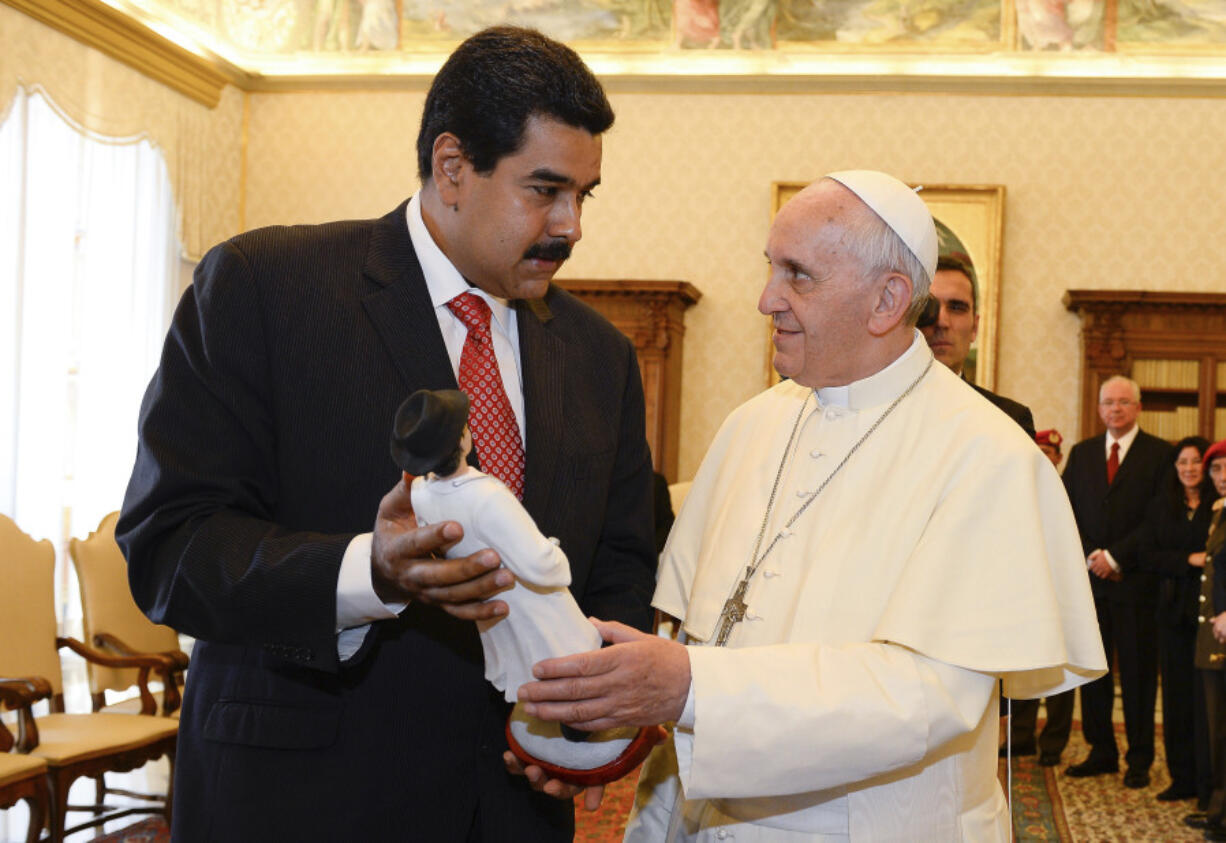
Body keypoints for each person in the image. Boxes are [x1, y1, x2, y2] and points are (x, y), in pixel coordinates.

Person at [116, 26, 658, 841]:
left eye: (586, 194)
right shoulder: (265, 290)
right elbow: (171, 549)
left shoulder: (600, 356)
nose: (571, 224)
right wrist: (366, 572)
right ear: (451, 168)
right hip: (303, 803)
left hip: (514, 812)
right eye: (544, 189)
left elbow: (619, 570)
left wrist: (583, 725)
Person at [515, 170, 1106, 840]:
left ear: (887, 299)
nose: (767, 299)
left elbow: (923, 699)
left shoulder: (990, 456)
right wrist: (611, 730)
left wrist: (688, 687)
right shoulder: (750, 426)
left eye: (797, 275)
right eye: (771, 268)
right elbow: (699, 640)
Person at [1062, 375, 1173, 788]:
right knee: (1093, 671)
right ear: (1099, 408)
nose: (1115, 409)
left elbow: (1158, 519)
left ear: (1138, 407)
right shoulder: (1083, 453)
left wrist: (1115, 556)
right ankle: (1101, 750)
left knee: (1140, 675)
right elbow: (1067, 511)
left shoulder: (1161, 455)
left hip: (1137, 584)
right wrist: (1094, 555)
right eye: (1108, 402)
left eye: (1124, 402)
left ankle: (1139, 757)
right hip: (1091, 584)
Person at [1137, 435, 1215, 804]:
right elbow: (1149, 555)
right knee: (1176, 698)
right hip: (1172, 614)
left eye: (1196, 462)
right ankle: (1181, 776)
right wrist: (1189, 559)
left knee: (1208, 701)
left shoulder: (1219, 505)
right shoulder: (1160, 505)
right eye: (1182, 462)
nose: (1189, 469)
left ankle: (1208, 781)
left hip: (1211, 615)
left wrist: (1191, 558)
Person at [920, 220, 1035, 439]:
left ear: (975, 327)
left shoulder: (1009, 420)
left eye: (956, 307)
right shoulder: (873, 412)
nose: (942, 321)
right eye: (930, 306)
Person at [1006, 427, 1078, 767]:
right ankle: (1020, 736)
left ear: (1059, 457)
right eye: (1040, 452)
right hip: (1026, 591)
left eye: (1050, 453)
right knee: (1026, 662)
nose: (1045, 458)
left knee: (1061, 668)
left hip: (1062, 591)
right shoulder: (1017, 489)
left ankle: (1053, 742)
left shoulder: (1074, 491)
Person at [1188, 441, 1226, 840]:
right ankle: (1218, 811)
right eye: (1216, 470)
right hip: (1212, 634)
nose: (1221, 477)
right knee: (1217, 728)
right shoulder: (1220, 512)